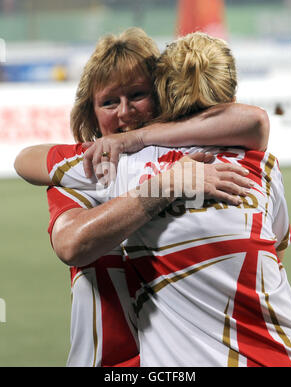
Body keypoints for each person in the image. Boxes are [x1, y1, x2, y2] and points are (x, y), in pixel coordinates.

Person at [14, 28, 270, 367]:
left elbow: (254, 121)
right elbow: (70, 243)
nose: (124, 113)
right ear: (90, 112)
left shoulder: (198, 161)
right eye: (108, 102)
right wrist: (165, 186)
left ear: (162, 96)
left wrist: (144, 142)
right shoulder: (86, 172)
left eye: (137, 95)